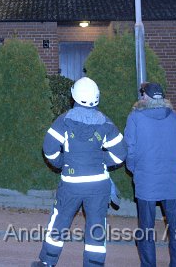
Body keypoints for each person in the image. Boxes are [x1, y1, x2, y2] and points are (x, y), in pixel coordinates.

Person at [33, 77, 127, 267]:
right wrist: (102, 163)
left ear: (74, 96)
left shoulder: (64, 121)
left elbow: (49, 148)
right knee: (97, 225)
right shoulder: (105, 123)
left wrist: (61, 163)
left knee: (59, 221)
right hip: (98, 185)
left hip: (71, 184)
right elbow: (121, 153)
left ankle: (47, 262)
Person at [125, 82, 176, 267]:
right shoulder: (175, 116)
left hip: (146, 180)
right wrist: (169, 161)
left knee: (146, 228)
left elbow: (131, 147)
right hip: (170, 180)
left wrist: (134, 167)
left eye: (143, 94)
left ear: (147, 96)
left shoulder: (136, 117)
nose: (141, 97)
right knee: (175, 227)